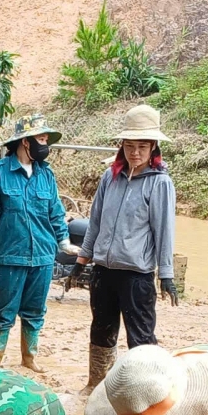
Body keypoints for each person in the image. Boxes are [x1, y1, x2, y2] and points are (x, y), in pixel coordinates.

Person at [77, 104, 177, 391]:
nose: (135, 153)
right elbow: (95, 222)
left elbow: (164, 231)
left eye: (142, 147)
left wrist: (166, 274)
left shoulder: (160, 183)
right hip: (104, 271)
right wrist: (82, 261)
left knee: (141, 338)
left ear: (153, 148)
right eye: (129, 146)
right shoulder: (110, 177)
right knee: (101, 329)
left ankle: (143, 392)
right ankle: (96, 384)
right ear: (122, 147)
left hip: (137, 275)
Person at [0, 115, 73, 370]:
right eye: (41, 139)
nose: (45, 145)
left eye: (46, 140)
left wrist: (65, 243)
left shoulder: (46, 175)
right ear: (25, 142)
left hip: (43, 256)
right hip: (10, 255)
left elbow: (56, 213)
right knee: (4, 310)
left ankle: (29, 358)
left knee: (35, 311)